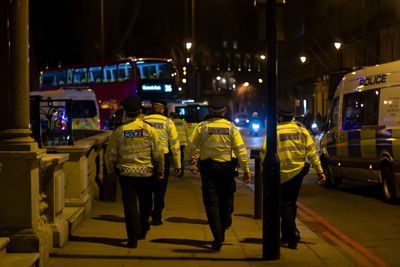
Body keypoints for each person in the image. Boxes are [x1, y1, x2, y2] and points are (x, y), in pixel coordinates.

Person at [185, 95, 251, 251]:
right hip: (227, 169)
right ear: (225, 111)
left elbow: (190, 146)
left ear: (210, 110)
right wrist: (246, 170)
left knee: (211, 203)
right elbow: (240, 151)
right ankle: (225, 221)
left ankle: (217, 236)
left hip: (208, 170)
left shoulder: (202, 127)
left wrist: (189, 160)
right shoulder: (231, 127)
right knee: (227, 198)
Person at [260, 96, 326, 249]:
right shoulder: (301, 130)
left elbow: (264, 152)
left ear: (280, 116)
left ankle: (291, 234)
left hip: (280, 174)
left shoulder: (273, 131)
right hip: (297, 173)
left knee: (284, 203)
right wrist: (320, 171)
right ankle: (288, 232)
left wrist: (264, 173)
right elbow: (312, 153)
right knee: (290, 202)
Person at [105, 95, 165, 248]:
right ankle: (143, 229)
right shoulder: (149, 130)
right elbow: (158, 153)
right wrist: (160, 170)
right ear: (140, 111)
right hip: (146, 174)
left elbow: (110, 154)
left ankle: (132, 237)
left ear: (126, 112)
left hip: (126, 175)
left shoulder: (119, 131)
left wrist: (110, 170)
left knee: (130, 205)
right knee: (146, 203)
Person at [144, 100, 181, 225]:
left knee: (147, 188)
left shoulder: (144, 121)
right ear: (162, 110)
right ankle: (157, 217)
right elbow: (175, 146)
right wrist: (178, 165)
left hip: (147, 157)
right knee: (160, 189)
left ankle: (145, 213)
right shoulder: (168, 123)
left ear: (152, 109)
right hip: (163, 157)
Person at [170, 112, 189, 177]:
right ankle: (180, 172)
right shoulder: (183, 122)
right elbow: (187, 133)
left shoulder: (171, 122)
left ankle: (176, 169)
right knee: (181, 158)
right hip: (183, 143)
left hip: (174, 143)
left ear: (172, 117)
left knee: (174, 158)